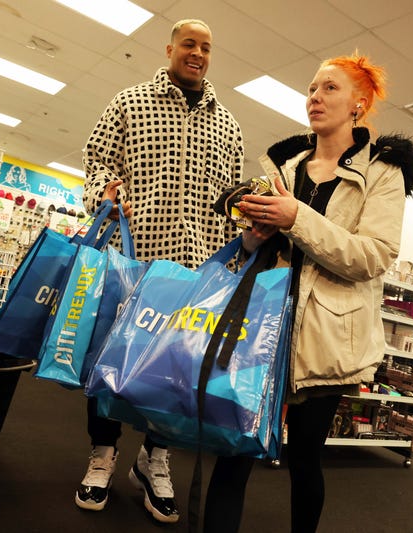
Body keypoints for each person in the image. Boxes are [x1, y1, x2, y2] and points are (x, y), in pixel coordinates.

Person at [204, 52, 413, 532]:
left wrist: (296, 217)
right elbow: (261, 244)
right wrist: (252, 235)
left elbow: (373, 256)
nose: (315, 98)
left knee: (304, 459)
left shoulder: (383, 173)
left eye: (329, 88)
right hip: (262, 321)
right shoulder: (286, 165)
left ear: (358, 104)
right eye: (311, 89)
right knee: (235, 449)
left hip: (328, 333)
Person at [78, 19, 244, 524]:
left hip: (197, 270)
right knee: (110, 355)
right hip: (135, 259)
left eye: (206, 48)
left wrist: (234, 267)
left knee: (175, 369)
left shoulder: (229, 125)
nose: (197, 53)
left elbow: (234, 201)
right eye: (189, 44)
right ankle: (102, 454)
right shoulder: (129, 103)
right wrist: (103, 195)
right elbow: (96, 162)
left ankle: (155, 459)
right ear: (170, 48)